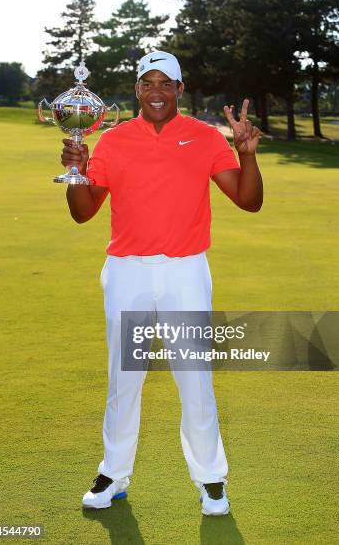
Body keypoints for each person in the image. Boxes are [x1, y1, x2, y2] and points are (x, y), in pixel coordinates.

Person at [61, 51, 263, 516]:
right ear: (137, 90)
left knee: (195, 379)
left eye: (165, 83)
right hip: (127, 271)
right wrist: (75, 171)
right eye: (147, 83)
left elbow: (248, 201)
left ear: (179, 89)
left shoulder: (205, 136)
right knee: (123, 380)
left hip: (185, 271)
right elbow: (82, 211)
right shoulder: (112, 140)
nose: (156, 91)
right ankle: (114, 473)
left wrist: (247, 157)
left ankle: (211, 479)